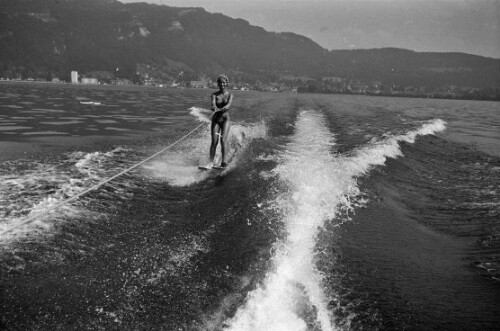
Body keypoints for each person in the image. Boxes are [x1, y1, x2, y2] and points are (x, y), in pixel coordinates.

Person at [206, 74, 233, 168]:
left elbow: (229, 104)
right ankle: (210, 162)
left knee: (222, 140)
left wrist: (225, 107)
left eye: (223, 82)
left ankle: (224, 162)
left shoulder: (230, 94)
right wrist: (214, 107)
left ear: (226, 83)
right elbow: (213, 103)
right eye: (220, 82)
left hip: (226, 120)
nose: (222, 84)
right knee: (214, 141)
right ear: (218, 83)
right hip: (216, 120)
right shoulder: (214, 95)